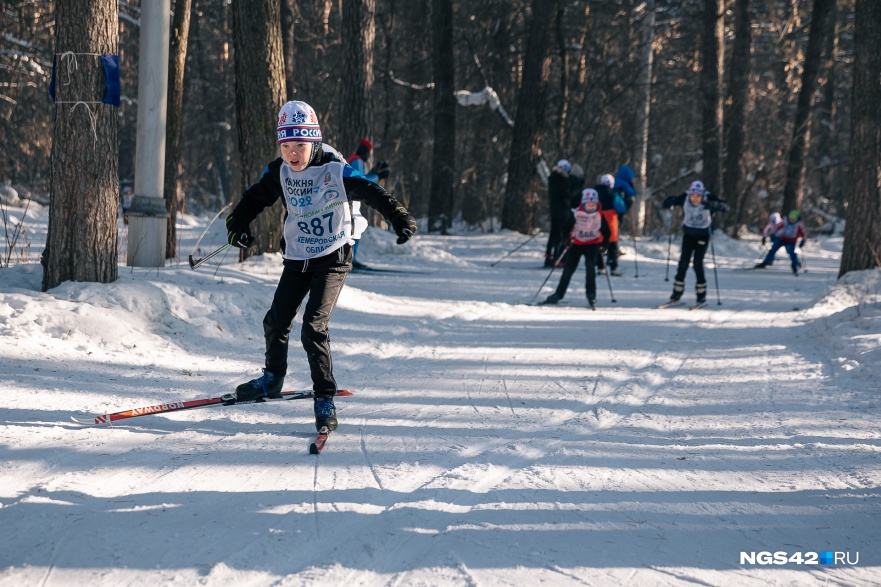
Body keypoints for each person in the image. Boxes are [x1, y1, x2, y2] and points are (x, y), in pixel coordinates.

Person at [224, 100, 416, 432]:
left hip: (333, 257)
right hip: (298, 257)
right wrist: (238, 224)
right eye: (286, 145)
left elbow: (372, 191)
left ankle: (324, 396)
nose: (293, 153)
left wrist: (398, 216)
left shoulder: (334, 168)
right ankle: (272, 379)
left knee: (313, 328)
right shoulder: (279, 170)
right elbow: (254, 198)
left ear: (313, 142)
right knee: (276, 320)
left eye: (300, 144)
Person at [541, 188, 609, 310]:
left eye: (593, 205)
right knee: (568, 270)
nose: (590, 207)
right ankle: (558, 294)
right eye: (587, 204)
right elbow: (565, 229)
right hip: (576, 244)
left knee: (590, 268)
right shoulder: (576, 213)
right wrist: (567, 239)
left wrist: (604, 245)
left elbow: (607, 232)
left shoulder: (599, 215)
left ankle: (591, 294)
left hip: (592, 244)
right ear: (582, 204)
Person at [662, 180, 729, 304]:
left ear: (702, 195)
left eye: (698, 196)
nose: (695, 199)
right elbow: (668, 202)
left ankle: (701, 294)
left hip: (703, 235)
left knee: (697, 263)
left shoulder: (708, 197)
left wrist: (713, 205)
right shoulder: (685, 197)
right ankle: (676, 292)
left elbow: (725, 206)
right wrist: (669, 202)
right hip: (688, 234)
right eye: (693, 196)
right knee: (683, 262)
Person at [346, 139, 390, 269]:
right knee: (355, 229)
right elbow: (361, 181)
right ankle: (350, 259)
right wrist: (378, 176)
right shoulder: (357, 161)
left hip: (350, 199)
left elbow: (361, 178)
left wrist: (374, 173)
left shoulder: (354, 159)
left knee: (355, 228)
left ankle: (351, 258)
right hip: (350, 200)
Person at [595, 174, 627, 276]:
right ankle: (614, 267)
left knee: (599, 243)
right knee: (612, 244)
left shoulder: (595, 194)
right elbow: (621, 208)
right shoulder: (613, 195)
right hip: (610, 221)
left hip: (598, 220)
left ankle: (601, 267)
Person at [756, 210, 806, 274]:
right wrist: (773, 234)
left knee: (791, 253)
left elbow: (803, 233)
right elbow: (777, 227)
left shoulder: (799, 225)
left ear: (796, 219)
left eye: (793, 219)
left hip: (791, 241)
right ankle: (766, 262)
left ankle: (795, 264)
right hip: (782, 239)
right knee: (773, 249)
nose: (792, 220)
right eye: (791, 218)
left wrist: (803, 241)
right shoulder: (785, 222)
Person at [545, 159, 573, 267]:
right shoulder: (562, 179)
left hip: (554, 210)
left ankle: (548, 256)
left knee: (553, 234)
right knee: (561, 235)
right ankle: (558, 258)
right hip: (562, 211)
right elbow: (566, 195)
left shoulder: (552, 178)